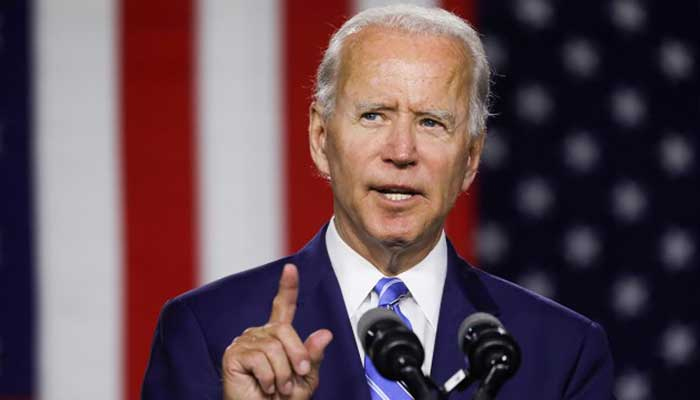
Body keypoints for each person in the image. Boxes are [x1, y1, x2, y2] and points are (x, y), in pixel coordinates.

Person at [142, 4, 614, 399]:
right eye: (374, 115)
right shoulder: (206, 332)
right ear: (320, 137)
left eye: (432, 122)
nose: (401, 152)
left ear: (471, 158)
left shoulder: (562, 352)